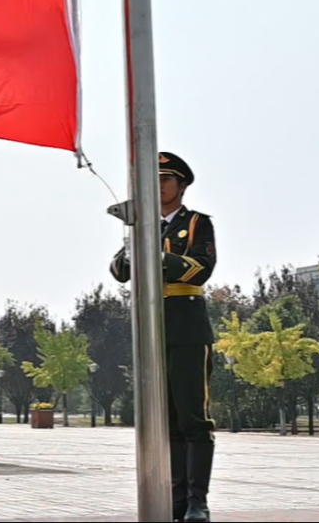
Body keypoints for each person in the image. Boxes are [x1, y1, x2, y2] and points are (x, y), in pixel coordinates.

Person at [110, 152, 217, 523]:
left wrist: (155, 255)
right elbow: (119, 271)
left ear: (181, 185)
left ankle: (197, 502)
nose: (158, 187)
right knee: (166, 422)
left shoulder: (197, 223)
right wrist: (133, 243)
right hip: (152, 328)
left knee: (193, 420)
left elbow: (201, 269)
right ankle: (175, 499)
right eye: (152, 180)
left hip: (187, 327)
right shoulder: (144, 227)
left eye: (165, 179)